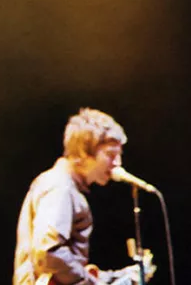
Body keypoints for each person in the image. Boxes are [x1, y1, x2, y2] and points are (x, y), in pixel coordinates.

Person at [13, 108, 148, 285]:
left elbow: (65, 269)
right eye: (110, 155)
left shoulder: (64, 185)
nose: (117, 163)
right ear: (84, 152)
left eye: (119, 156)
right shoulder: (60, 186)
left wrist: (115, 277)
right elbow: (49, 252)